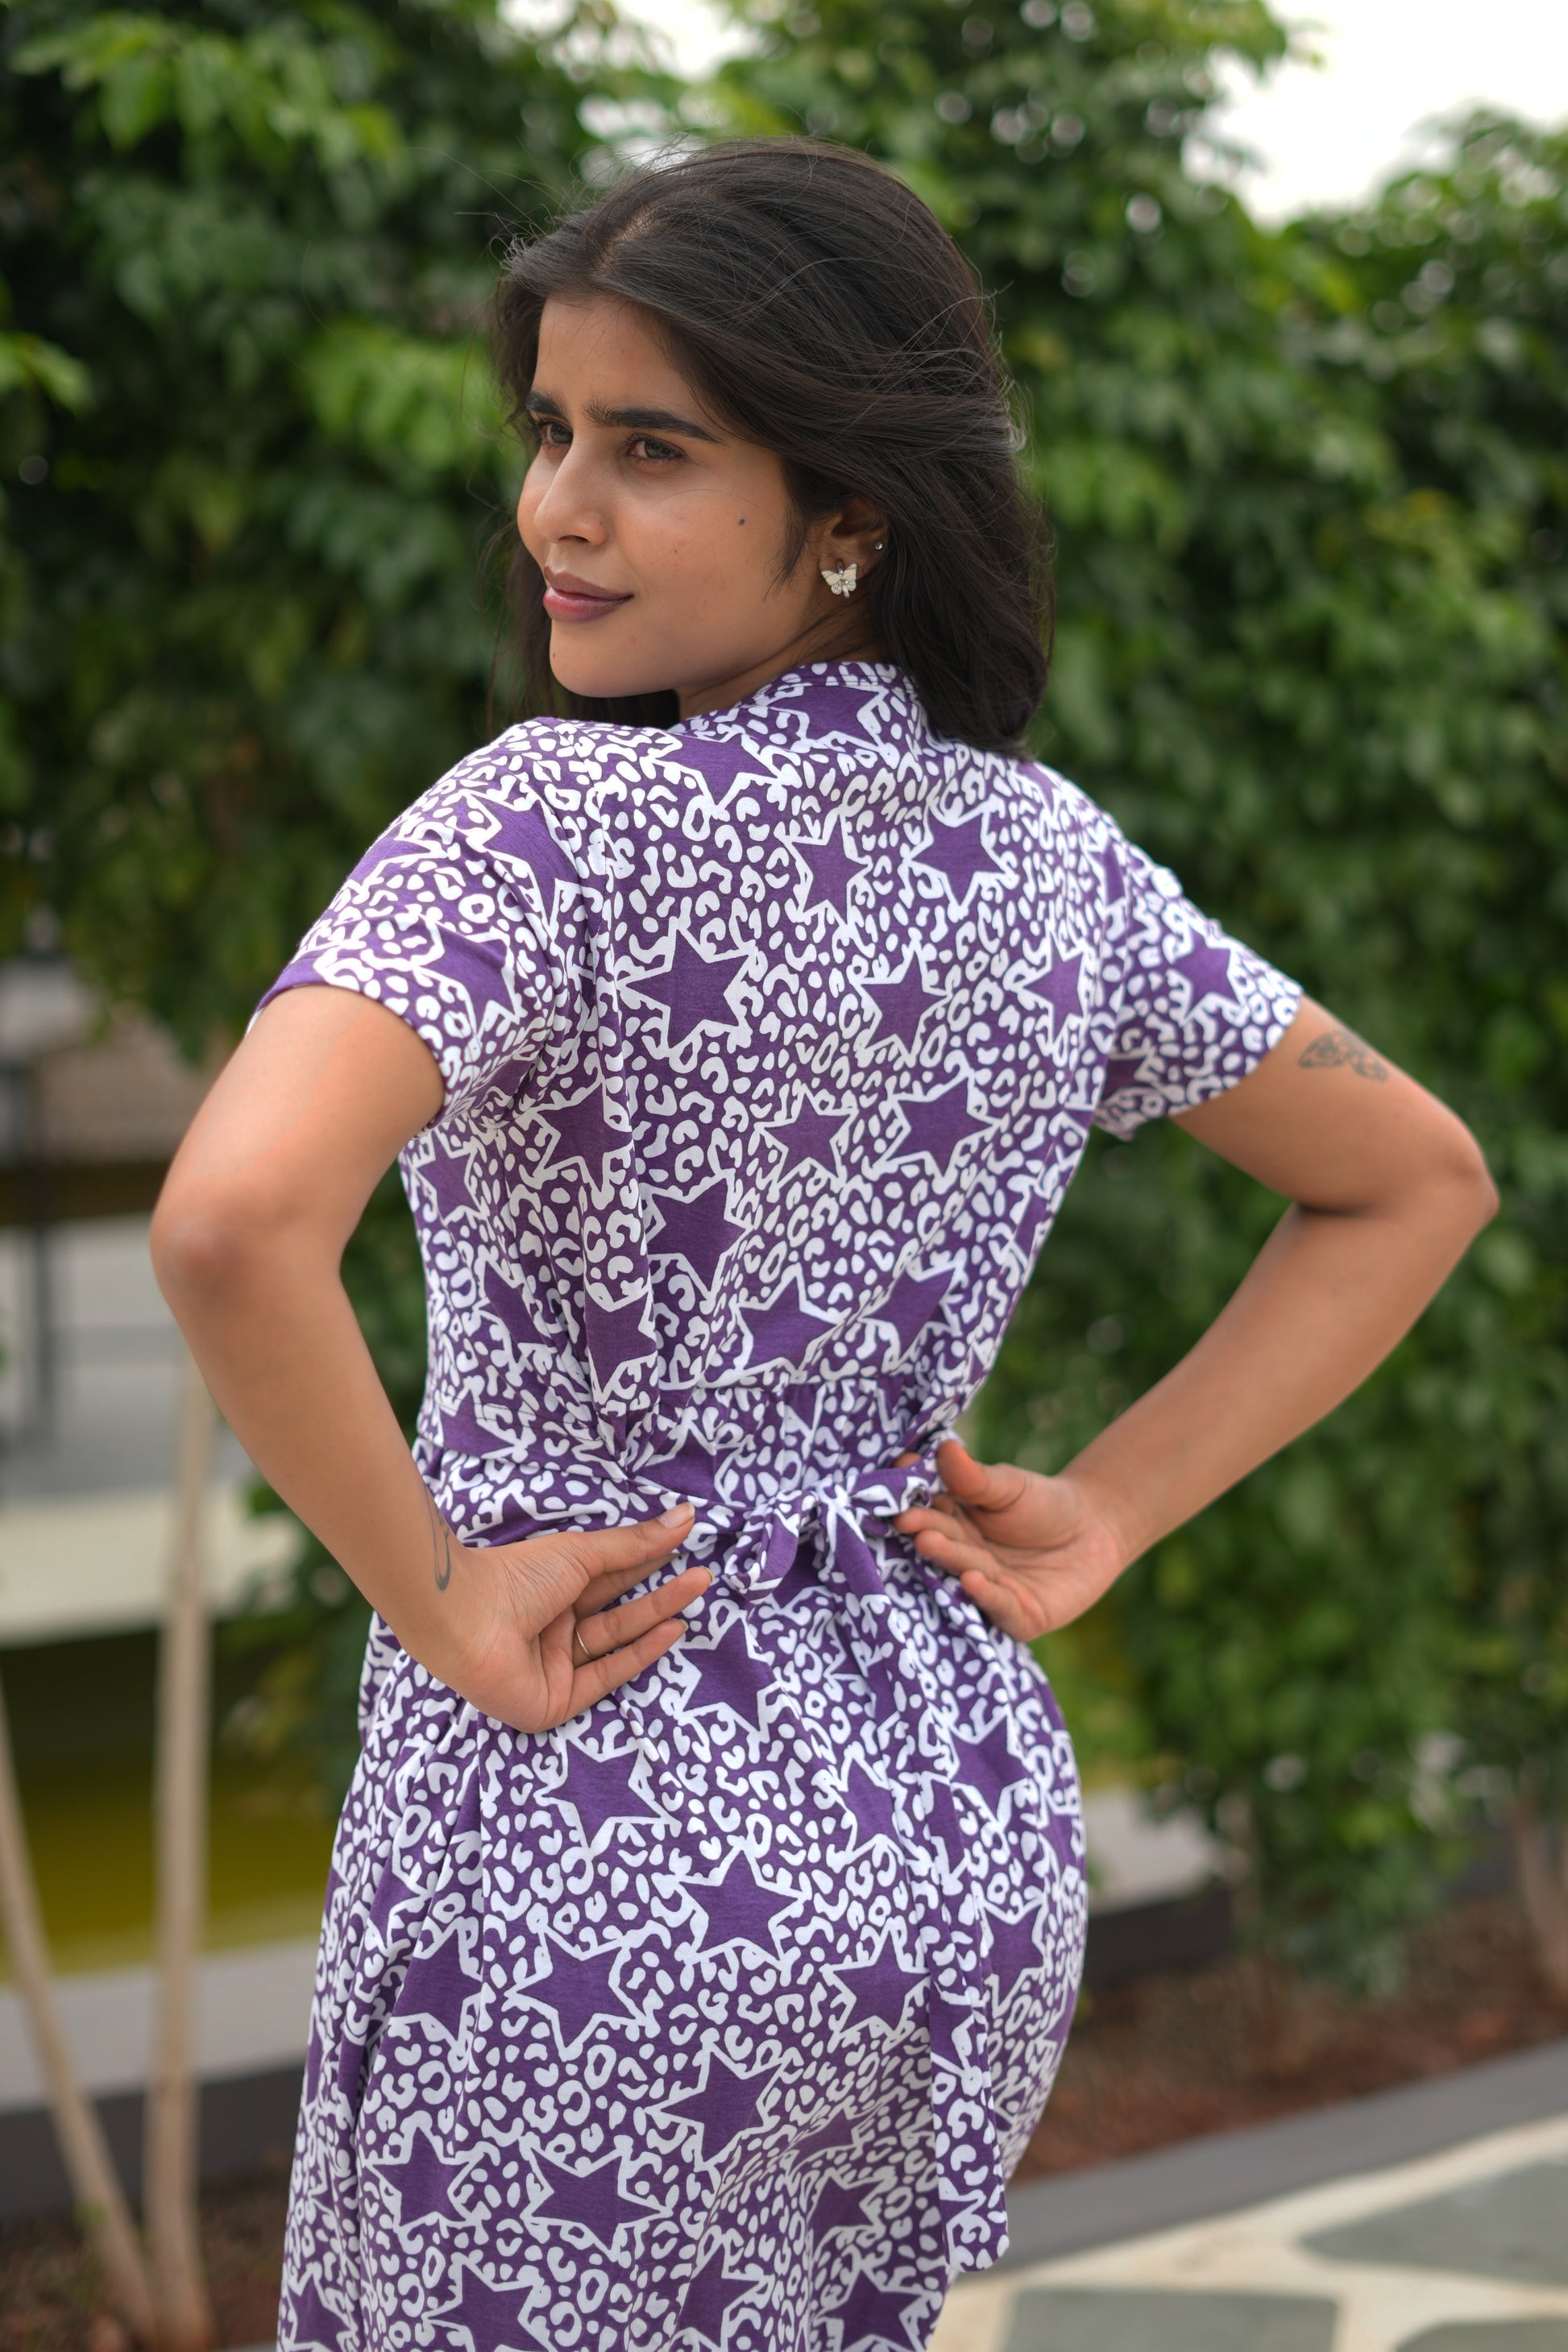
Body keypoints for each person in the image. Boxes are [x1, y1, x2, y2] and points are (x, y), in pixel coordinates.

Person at [151, 139, 1497, 2352]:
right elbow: (1414, 1173)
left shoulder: (543, 829)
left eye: (650, 450)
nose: (556, 509)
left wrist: (441, 1592)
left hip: (591, 1843)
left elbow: (227, 1222)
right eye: (550, 433)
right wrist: (1106, 1514)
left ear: (851, 510)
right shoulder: (1049, 861)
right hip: (946, 1839)